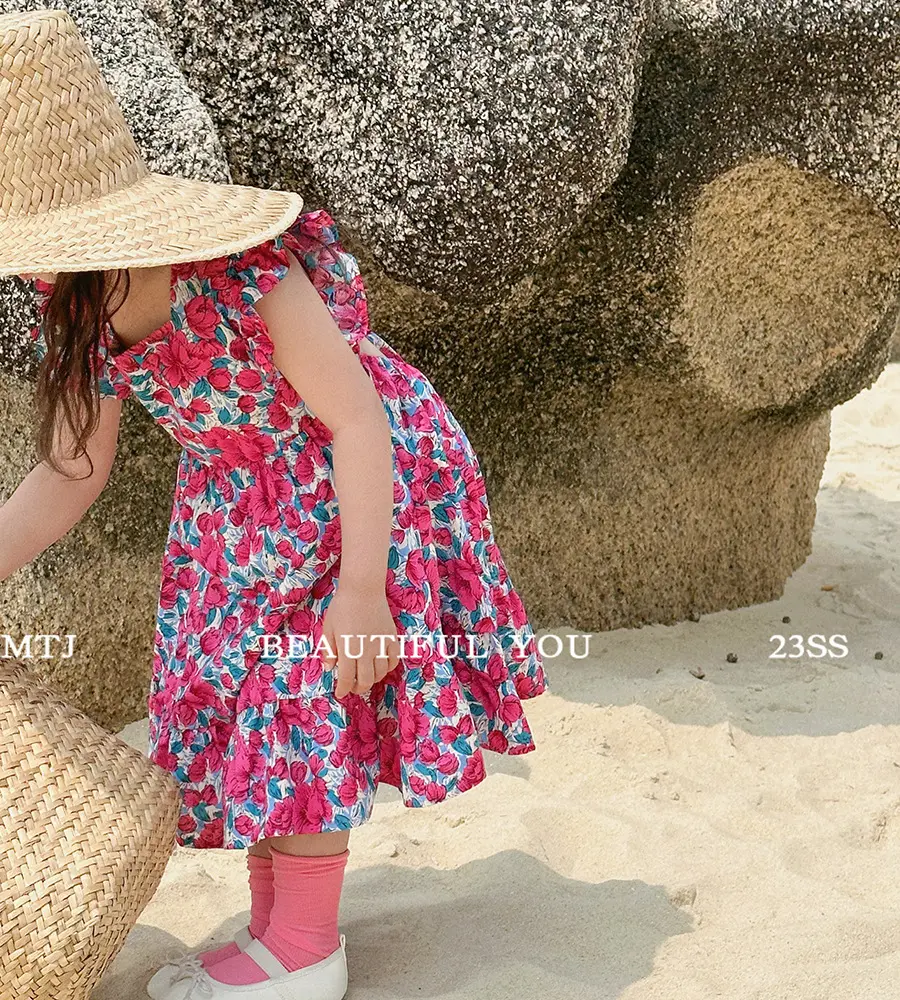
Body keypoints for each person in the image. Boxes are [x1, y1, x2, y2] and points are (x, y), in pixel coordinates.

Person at [0, 9, 548, 1000]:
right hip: (236, 506)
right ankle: (277, 931)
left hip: (366, 480)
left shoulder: (244, 275)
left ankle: (302, 947)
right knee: (253, 699)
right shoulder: (74, 304)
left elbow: (359, 423)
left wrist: (366, 592)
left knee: (305, 695)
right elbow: (69, 475)